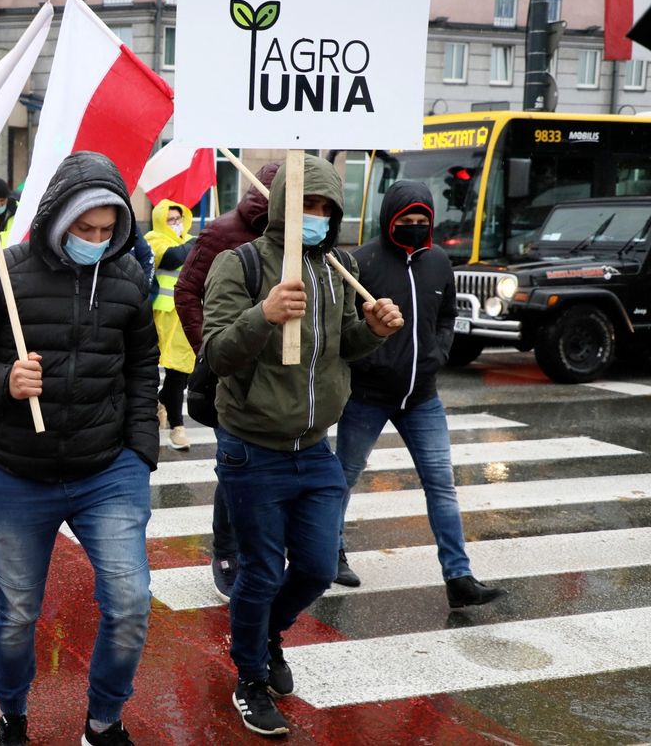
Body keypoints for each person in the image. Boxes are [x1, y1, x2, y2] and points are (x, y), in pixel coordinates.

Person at [0, 152, 159, 746]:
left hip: (107, 469)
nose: (95, 240)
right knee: (16, 615)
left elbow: (143, 368)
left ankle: (104, 720)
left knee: (131, 603)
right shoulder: (2, 274)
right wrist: (4, 381)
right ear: (57, 219)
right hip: (18, 473)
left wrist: (141, 452)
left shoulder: (128, 279)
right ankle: (11, 715)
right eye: (83, 228)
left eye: (107, 229)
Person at [200, 155, 403, 738]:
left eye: (325, 209)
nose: (315, 217)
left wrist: (376, 331)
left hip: (315, 448)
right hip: (253, 448)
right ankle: (250, 680)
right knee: (260, 570)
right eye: (306, 205)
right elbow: (217, 353)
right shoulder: (236, 264)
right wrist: (263, 316)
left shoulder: (335, 267)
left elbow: (340, 347)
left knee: (316, 565)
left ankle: (267, 634)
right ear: (283, 205)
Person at [335, 181, 508, 608]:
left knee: (441, 485)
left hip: (423, 397)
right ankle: (330, 555)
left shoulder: (438, 262)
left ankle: (459, 577)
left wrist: (438, 352)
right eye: (405, 221)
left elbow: (447, 313)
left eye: (421, 222)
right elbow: (343, 328)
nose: (413, 228)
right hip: (368, 395)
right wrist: (368, 362)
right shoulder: (362, 262)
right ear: (389, 219)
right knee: (342, 479)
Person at [174, 163, 276, 602]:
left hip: (282, 375)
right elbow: (185, 291)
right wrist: (211, 348)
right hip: (230, 372)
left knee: (280, 466)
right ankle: (226, 551)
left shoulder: (307, 237)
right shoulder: (223, 232)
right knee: (235, 465)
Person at [144, 200, 196, 451]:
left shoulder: (191, 240)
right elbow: (172, 258)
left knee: (180, 371)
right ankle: (167, 421)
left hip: (186, 317)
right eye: (170, 219)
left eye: (178, 218)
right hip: (158, 317)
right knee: (149, 371)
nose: (175, 224)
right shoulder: (153, 239)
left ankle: (176, 424)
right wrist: (200, 242)